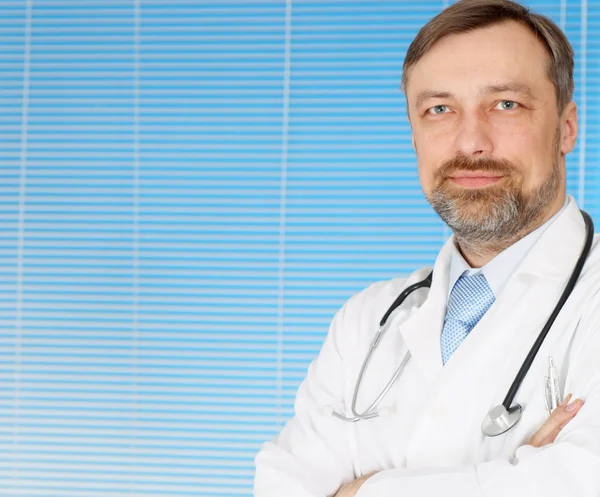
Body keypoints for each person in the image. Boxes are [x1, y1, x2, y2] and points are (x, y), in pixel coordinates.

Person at [254, 1, 600, 495]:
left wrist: (357, 489)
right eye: (440, 109)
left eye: (506, 104)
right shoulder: (367, 320)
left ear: (567, 127)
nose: (470, 141)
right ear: (414, 136)